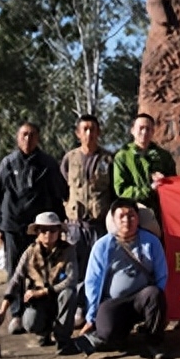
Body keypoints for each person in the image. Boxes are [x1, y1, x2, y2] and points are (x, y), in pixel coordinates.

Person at [0, 122, 68, 332]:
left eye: (32, 135)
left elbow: (58, 195)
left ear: (38, 138)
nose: (28, 139)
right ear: (17, 138)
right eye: (24, 134)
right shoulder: (8, 163)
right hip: (13, 226)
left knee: (41, 269)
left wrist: (60, 224)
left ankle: (38, 311)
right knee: (15, 270)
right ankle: (16, 314)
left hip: (41, 229)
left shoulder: (48, 164)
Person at [77, 198, 171, 359]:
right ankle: (114, 337)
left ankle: (154, 342)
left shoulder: (151, 242)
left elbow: (162, 275)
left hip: (142, 299)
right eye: (121, 216)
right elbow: (93, 282)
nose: (127, 220)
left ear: (138, 218)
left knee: (154, 293)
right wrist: (91, 317)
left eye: (131, 215)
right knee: (107, 332)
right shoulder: (102, 245)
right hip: (113, 302)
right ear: (113, 219)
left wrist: (160, 308)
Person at [0, 212, 80, 354]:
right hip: (39, 301)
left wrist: (44, 291)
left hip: (59, 297)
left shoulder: (68, 250)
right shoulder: (30, 252)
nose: (48, 234)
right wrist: (2, 311)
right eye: (43, 230)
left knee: (69, 293)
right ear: (37, 232)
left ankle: (63, 339)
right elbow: (16, 281)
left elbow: (71, 279)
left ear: (59, 231)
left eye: (53, 230)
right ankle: (44, 332)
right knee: (30, 323)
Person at [61, 114, 113, 300]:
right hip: (75, 226)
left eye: (93, 129)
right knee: (75, 268)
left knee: (100, 267)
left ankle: (98, 304)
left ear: (99, 133)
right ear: (78, 133)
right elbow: (63, 188)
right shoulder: (69, 158)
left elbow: (113, 191)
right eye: (85, 129)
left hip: (99, 224)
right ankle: (78, 306)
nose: (89, 133)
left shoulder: (108, 159)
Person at [113, 113, 177, 217]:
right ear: (132, 130)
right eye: (141, 128)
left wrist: (164, 181)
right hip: (133, 214)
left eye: (148, 129)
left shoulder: (164, 156)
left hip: (160, 214)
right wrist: (149, 189)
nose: (144, 132)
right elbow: (122, 190)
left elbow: (174, 182)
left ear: (153, 132)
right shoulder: (123, 157)